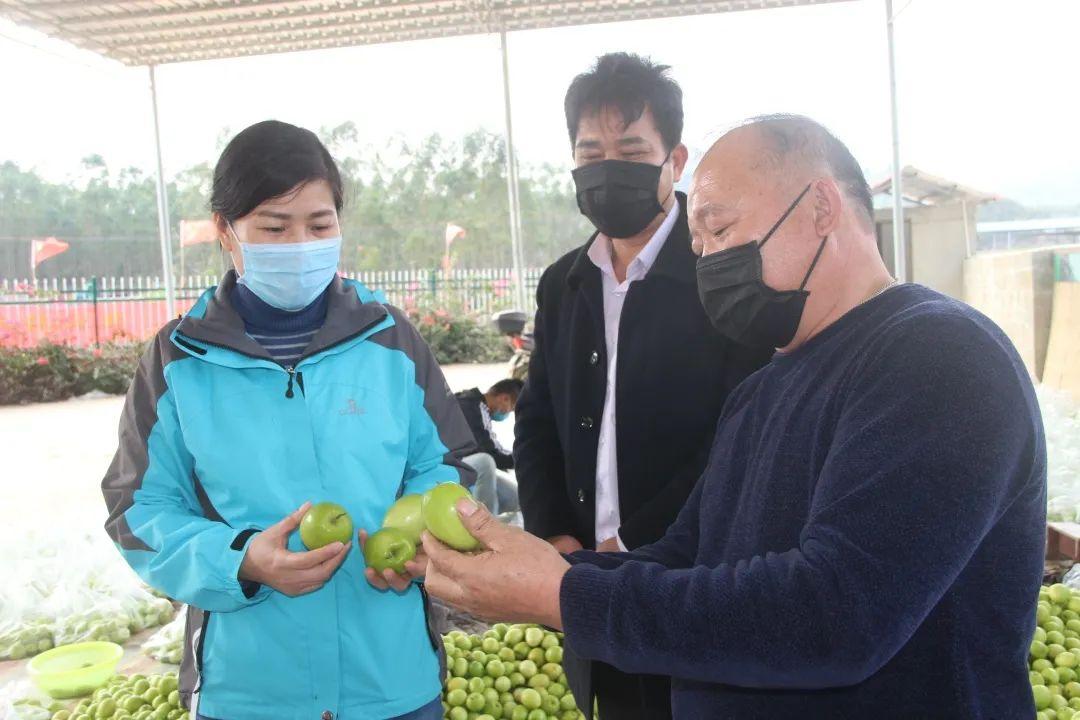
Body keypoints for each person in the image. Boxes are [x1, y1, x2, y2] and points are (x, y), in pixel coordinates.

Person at [419, 115, 1047, 719]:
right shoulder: (763, 390)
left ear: (821, 208)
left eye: (719, 231)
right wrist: (530, 571)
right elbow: (689, 554)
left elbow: (836, 614)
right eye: (698, 243)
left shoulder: (937, 357)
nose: (707, 262)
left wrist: (562, 595)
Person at [101, 120, 475, 720]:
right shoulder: (179, 361)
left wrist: (417, 542)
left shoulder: (391, 342)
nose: (301, 243)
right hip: (249, 691)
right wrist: (240, 560)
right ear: (227, 232)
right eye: (275, 227)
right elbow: (138, 511)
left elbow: (446, 465)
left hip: (392, 680)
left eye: (320, 225)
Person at [513, 52, 772, 720]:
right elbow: (537, 414)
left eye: (631, 149)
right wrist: (555, 534)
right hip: (588, 589)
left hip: (696, 582)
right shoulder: (563, 283)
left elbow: (744, 432)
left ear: (675, 160)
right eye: (589, 151)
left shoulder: (724, 276)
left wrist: (636, 548)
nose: (607, 167)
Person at [455, 379, 523, 515]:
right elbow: (491, 452)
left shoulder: (472, 403)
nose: (507, 413)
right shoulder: (473, 406)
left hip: (462, 464)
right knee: (485, 462)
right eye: (511, 408)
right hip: (449, 464)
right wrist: (524, 457)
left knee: (516, 498)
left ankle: (489, 519)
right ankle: (485, 527)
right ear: (504, 398)